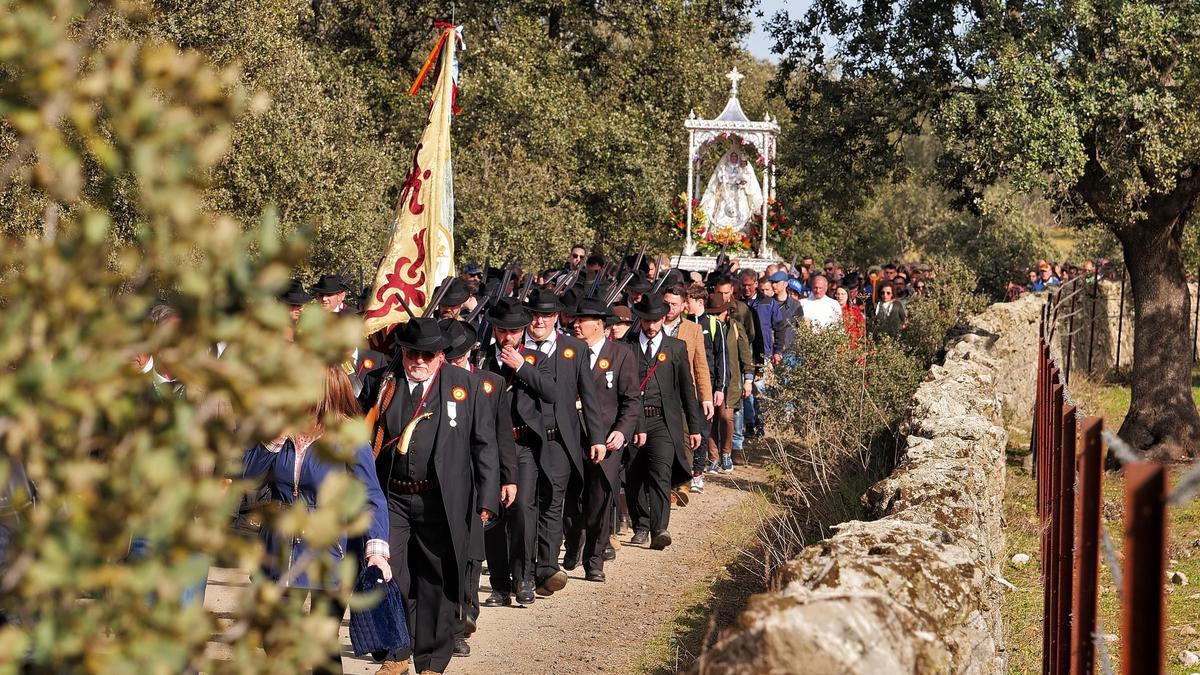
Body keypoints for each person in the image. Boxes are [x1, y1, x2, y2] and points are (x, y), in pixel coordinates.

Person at [361, 318, 499, 675]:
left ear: (440, 355)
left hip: (441, 500)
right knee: (390, 575)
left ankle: (432, 662)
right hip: (391, 498)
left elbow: (484, 444)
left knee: (435, 581)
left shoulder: (465, 385)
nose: (417, 361)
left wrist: (487, 496)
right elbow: (359, 434)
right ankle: (399, 654)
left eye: (426, 354)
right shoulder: (381, 383)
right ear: (402, 353)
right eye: (411, 354)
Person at [242, 366, 391, 675]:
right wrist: (273, 439)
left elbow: (371, 496)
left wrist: (376, 550)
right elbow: (247, 477)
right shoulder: (279, 430)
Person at [519, 288, 606, 597]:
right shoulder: (513, 348)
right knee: (526, 505)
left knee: (553, 504)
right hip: (524, 443)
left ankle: (546, 567)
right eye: (534, 315)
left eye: (545, 315)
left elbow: (589, 396)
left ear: (555, 317)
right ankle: (525, 572)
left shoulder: (574, 349)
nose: (539, 321)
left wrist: (597, 437)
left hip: (559, 442)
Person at [438, 319, 514, 658]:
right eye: (446, 358)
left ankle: (461, 620)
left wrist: (502, 481)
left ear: (470, 354)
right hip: (436, 483)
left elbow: (496, 440)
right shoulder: (430, 384)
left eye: (456, 359)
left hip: (470, 484)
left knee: (469, 558)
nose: (451, 366)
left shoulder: (487, 385)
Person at [480, 298, 555, 607]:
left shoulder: (537, 359)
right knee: (493, 512)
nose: (507, 337)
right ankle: (499, 584)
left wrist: (521, 367)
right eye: (501, 331)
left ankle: (523, 577)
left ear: (523, 331)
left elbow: (551, 392)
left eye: (513, 332)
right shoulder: (483, 359)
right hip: (490, 448)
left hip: (522, 445)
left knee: (523, 510)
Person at [562, 297, 640, 582]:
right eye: (575, 320)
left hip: (607, 440)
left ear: (599, 325)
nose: (576, 325)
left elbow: (631, 401)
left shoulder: (620, 355)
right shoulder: (567, 353)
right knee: (570, 500)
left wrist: (622, 431)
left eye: (582, 321)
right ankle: (572, 543)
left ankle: (594, 560)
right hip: (571, 438)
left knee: (598, 501)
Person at [623, 294, 702, 550]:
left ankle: (659, 528)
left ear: (663, 318)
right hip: (633, 420)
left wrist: (695, 426)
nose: (652, 325)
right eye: (647, 320)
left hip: (663, 420)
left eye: (656, 320)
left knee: (660, 473)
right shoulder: (627, 345)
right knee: (634, 474)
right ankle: (641, 526)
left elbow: (686, 390)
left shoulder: (676, 347)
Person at [685, 286, 725, 494]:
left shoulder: (713, 324)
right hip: (685, 385)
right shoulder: (682, 323)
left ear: (699, 302)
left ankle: (697, 474)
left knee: (702, 430)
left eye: (688, 300)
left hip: (706, 387)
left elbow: (721, 359)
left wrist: (719, 387)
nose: (685, 304)